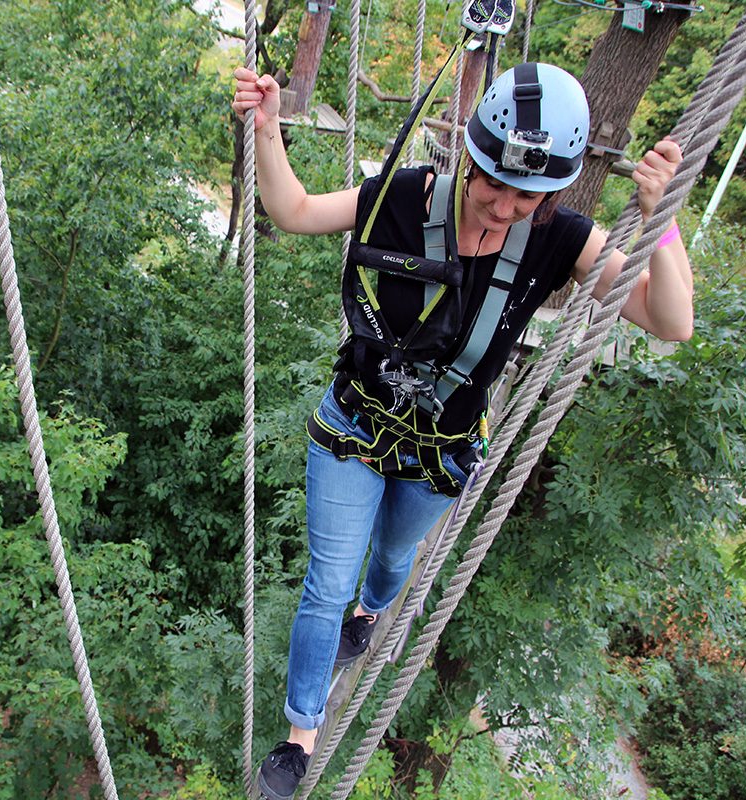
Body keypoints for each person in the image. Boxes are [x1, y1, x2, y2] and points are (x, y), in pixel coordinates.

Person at [232, 61, 693, 800]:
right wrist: (266, 128)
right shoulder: (404, 196)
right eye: (493, 184)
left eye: (528, 195)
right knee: (325, 585)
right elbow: (294, 211)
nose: (506, 206)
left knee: (389, 559)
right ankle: (299, 737)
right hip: (356, 423)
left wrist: (662, 223)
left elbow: (669, 320)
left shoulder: (559, 238)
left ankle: (372, 612)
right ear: (470, 159)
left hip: (442, 448)